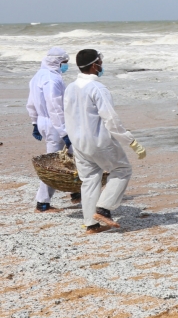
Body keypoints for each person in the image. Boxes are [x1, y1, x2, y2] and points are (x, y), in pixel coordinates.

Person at [64, 49, 146, 234]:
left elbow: (67, 116)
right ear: (94, 65)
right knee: (122, 170)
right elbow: (111, 120)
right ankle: (103, 209)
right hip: (99, 140)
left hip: (78, 142)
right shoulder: (98, 88)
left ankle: (91, 224)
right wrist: (131, 141)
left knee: (90, 180)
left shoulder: (70, 87)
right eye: (100, 61)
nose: (101, 64)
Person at [26, 47, 76, 211]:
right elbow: (55, 107)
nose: (66, 66)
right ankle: (42, 202)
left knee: (70, 156)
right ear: (58, 62)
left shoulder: (38, 76)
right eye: (65, 63)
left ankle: (77, 192)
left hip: (44, 121)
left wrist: (34, 122)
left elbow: (31, 103)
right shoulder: (51, 80)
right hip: (55, 124)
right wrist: (64, 131)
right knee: (55, 163)